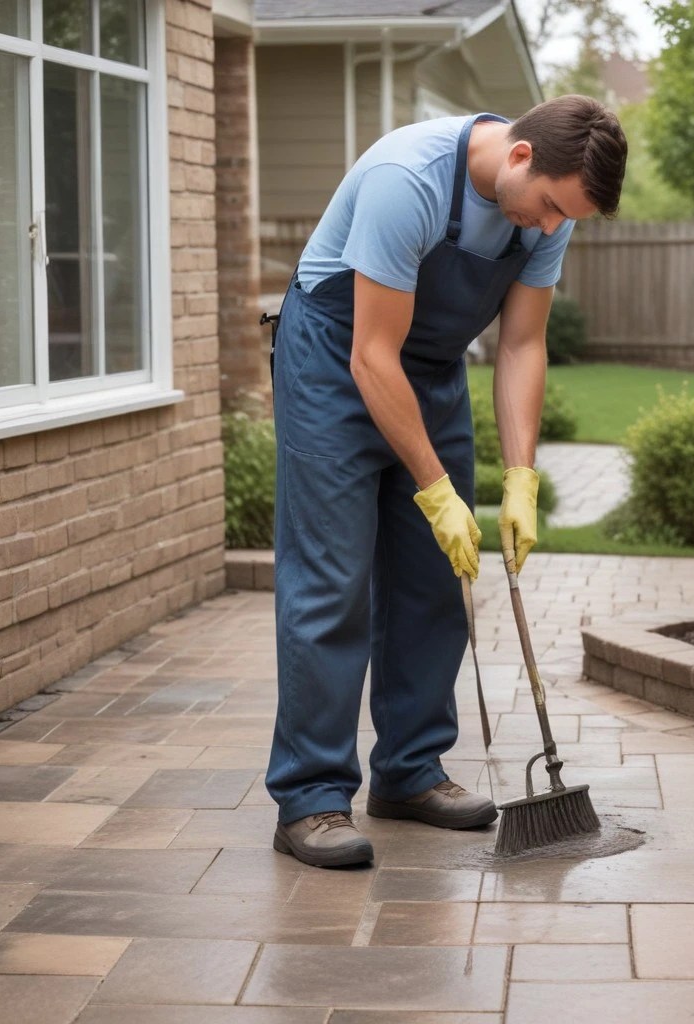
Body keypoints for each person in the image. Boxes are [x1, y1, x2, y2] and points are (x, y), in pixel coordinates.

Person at [267, 94, 627, 868]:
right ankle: (311, 798)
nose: (552, 228)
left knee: (438, 578)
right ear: (521, 157)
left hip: (426, 371)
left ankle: (408, 772)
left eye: (570, 220)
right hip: (336, 361)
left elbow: (523, 344)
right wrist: (437, 491)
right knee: (332, 580)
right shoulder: (412, 178)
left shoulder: (545, 213)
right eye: (551, 209)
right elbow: (370, 352)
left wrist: (523, 477)